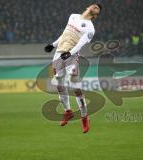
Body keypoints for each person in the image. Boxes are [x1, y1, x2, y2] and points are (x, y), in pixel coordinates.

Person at [44, 3, 102, 133]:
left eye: (98, 9)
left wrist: (70, 53)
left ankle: (84, 116)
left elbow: (80, 44)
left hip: (71, 55)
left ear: (96, 15)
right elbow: (65, 34)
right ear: (88, 6)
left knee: (75, 86)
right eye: (95, 5)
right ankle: (68, 112)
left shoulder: (90, 28)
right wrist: (53, 45)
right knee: (59, 84)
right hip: (59, 53)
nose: (95, 7)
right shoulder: (73, 16)